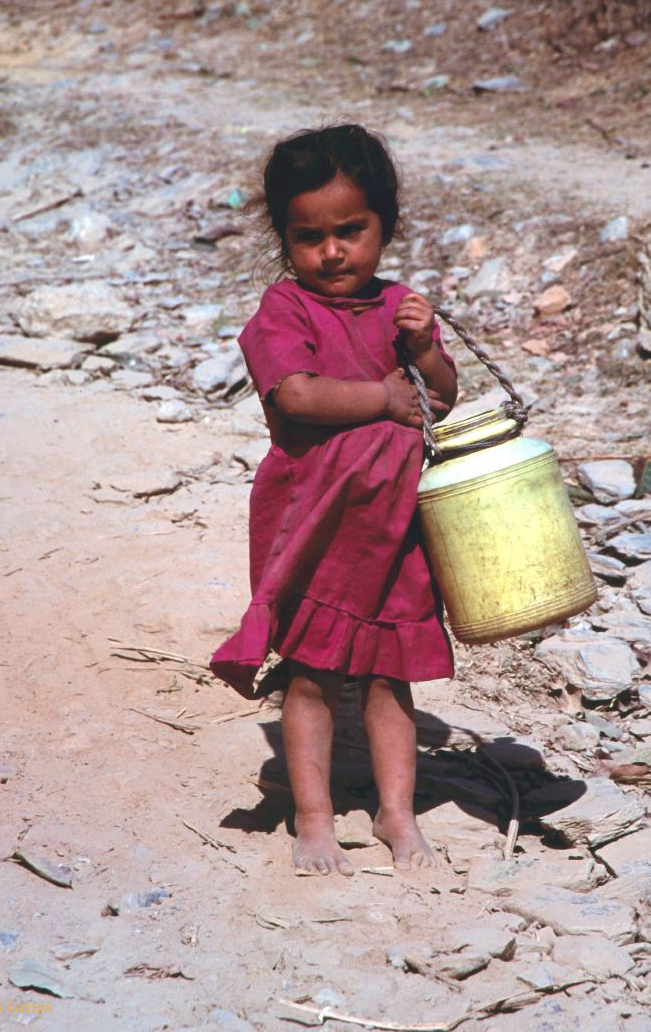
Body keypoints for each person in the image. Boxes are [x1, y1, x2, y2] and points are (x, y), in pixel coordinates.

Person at [210, 122, 458, 877]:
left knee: (389, 672)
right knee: (312, 671)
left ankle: (395, 813)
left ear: (385, 223)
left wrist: (420, 353)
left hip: (397, 523)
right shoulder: (283, 310)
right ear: (284, 238)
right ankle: (313, 818)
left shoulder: (399, 310)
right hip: (318, 519)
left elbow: (441, 400)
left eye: (351, 231)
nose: (332, 251)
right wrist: (383, 397)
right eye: (308, 235)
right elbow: (296, 393)